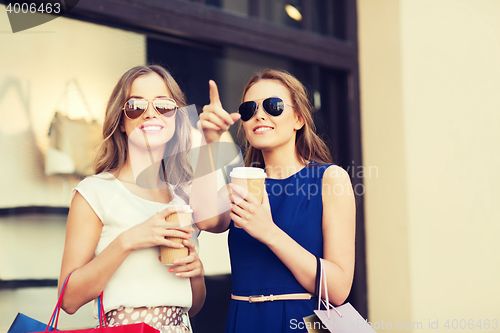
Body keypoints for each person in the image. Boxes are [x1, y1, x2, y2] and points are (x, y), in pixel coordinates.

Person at [197, 69, 356, 332]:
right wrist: (208, 141)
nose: (259, 115)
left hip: (303, 323)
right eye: (249, 109)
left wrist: (269, 232)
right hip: (244, 321)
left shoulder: (329, 179)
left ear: (299, 118)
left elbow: (338, 289)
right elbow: (204, 219)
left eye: (273, 106)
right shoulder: (240, 186)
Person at [58, 65, 205, 333]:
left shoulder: (182, 195)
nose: (151, 113)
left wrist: (196, 272)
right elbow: (67, 300)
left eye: (163, 105)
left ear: (176, 118)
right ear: (122, 122)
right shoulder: (95, 191)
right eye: (136, 106)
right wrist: (128, 241)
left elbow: (192, 306)